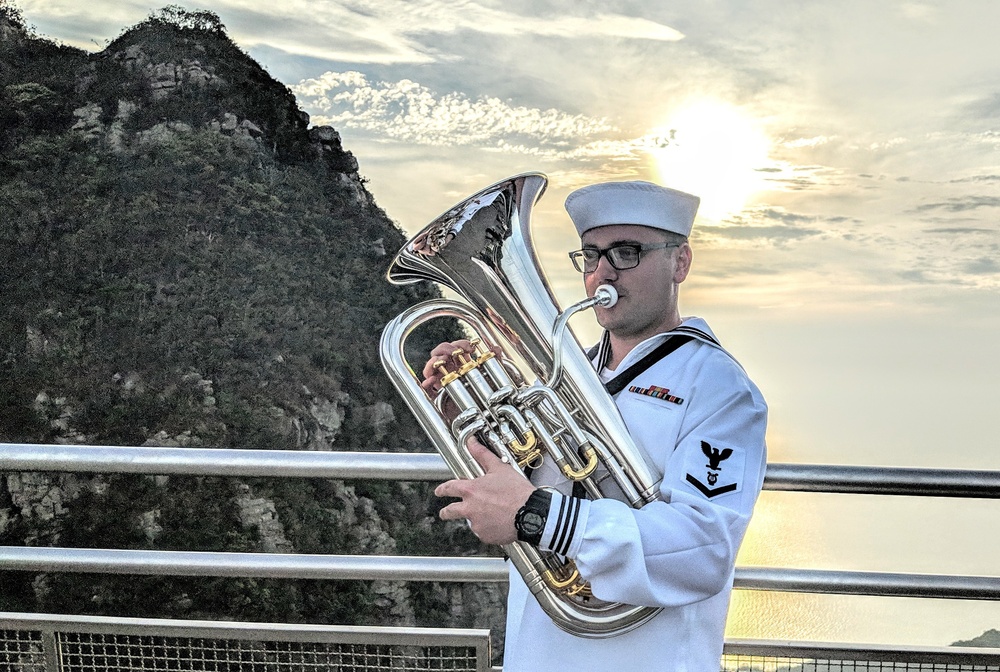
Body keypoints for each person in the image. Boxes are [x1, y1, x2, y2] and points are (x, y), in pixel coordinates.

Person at [422, 180, 768, 672]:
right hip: (539, 651)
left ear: (680, 263)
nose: (603, 272)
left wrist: (541, 518)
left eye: (627, 252)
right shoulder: (563, 375)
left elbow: (703, 549)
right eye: (591, 255)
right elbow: (524, 487)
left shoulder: (718, 388)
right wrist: (470, 421)